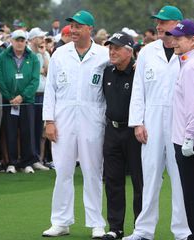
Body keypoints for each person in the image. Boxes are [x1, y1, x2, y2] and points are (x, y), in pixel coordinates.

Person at [124, 5, 190, 240]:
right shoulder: (147, 51)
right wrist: (137, 122)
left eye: (163, 22)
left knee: (180, 177)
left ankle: (183, 231)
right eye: (158, 22)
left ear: (177, 24)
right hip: (151, 119)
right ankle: (143, 230)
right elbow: (138, 89)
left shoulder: (189, 52)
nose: (159, 26)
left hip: (179, 120)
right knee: (149, 175)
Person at [42, 10, 109, 239]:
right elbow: (50, 89)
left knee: (93, 171)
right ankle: (60, 221)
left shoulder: (103, 55)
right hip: (63, 118)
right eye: (72, 26)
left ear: (90, 28)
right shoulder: (60, 54)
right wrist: (49, 121)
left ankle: (96, 223)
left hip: (93, 117)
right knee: (63, 170)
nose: (74, 30)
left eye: (79, 26)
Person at [168, 19, 194, 240]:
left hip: (189, 141)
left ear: (193, 40)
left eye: (178, 38)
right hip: (189, 138)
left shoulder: (193, 65)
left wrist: (187, 138)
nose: (173, 41)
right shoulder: (189, 62)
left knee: (193, 192)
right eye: (173, 36)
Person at [100, 32, 143, 240]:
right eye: (110, 47)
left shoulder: (139, 71)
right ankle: (115, 227)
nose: (112, 51)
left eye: (117, 48)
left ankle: (140, 228)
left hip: (134, 132)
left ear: (129, 51)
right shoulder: (107, 72)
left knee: (139, 181)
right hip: (112, 131)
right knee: (113, 180)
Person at [0, 30, 40, 174]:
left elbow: (35, 80)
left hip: (26, 101)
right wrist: (10, 97)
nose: (20, 43)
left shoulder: (32, 57)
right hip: (9, 102)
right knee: (10, 132)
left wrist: (22, 96)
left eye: (22, 40)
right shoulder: (3, 56)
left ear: (26, 42)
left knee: (27, 131)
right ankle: (11, 162)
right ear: (12, 41)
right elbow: (1, 79)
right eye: (17, 40)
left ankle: (27, 162)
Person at [28, 27, 51, 171]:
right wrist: (40, 70)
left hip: (44, 94)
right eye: (40, 37)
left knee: (40, 129)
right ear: (33, 39)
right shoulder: (28, 54)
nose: (43, 40)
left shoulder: (45, 53)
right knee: (30, 128)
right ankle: (32, 157)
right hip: (32, 95)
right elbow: (32, 73)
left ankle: (39, 158)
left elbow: (48, 71)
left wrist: (43, 55)